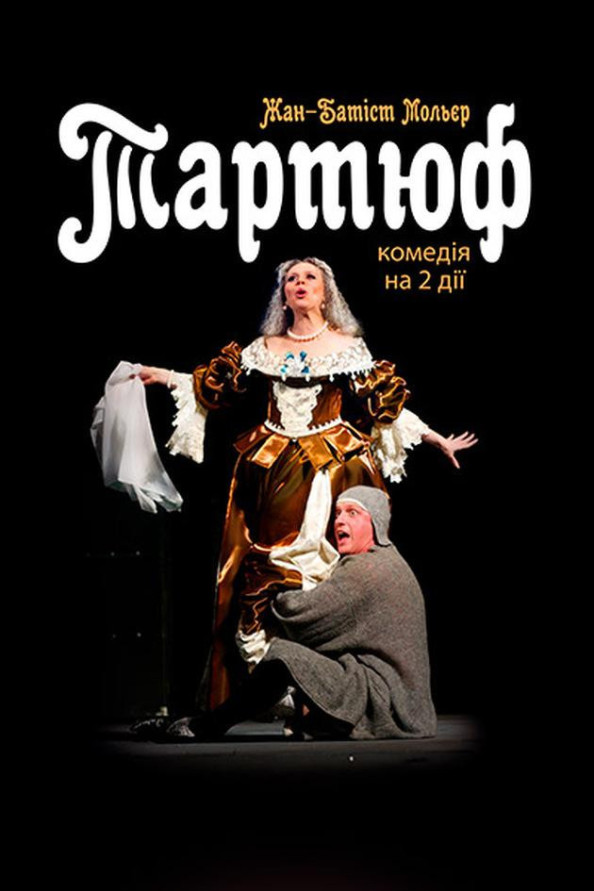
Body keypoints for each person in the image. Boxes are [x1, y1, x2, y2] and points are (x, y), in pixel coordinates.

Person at [138, 258, 476, 709]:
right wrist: (162, 376)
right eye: (291, 279)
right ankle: (277, 683)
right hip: (273, 469)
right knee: (269, 569)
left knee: (327, 569)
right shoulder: (265, 348)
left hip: (333, 467)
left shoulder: (347, 347)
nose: (300, 284)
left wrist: (435, 438)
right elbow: (214, 388)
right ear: (283, 295)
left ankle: (323, 688)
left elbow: (386, 408)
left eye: (309, 277)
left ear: (325, 292)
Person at [134, 485, 437, 741]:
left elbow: (306, 617)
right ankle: (197, 722)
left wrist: (276, 587)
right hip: (398, 699)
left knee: (285, 657)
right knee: (301, 664)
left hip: (384, 701)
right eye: (337, 513)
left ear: (376, 523)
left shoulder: (367, 570)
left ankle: (204, 727)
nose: (340, 521)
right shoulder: (387, 561)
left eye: (352, 513)